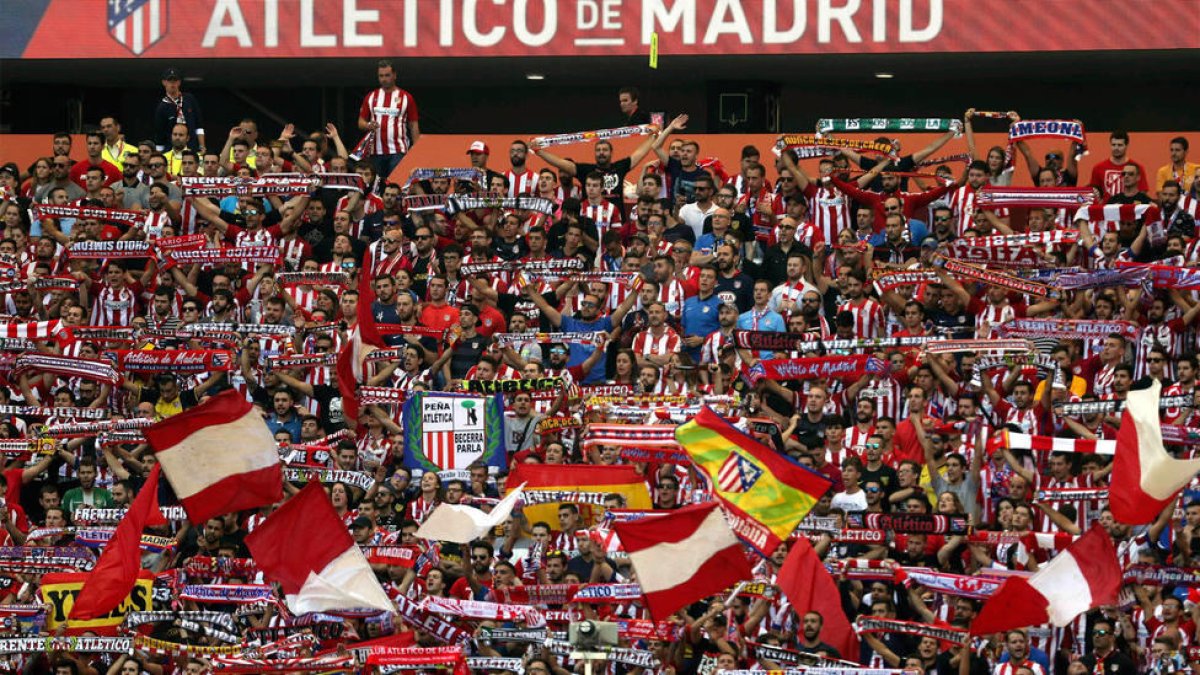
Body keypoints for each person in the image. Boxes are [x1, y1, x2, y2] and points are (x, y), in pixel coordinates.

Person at [358, 59, 420, 185]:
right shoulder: (371, 96)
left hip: (398, 151)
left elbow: (413, 125)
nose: (384, 79)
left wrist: (417, 150)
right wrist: (369, 125)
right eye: (381, 76)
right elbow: (361, 122)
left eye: (387, 75)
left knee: (396, 185)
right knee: (375, 186)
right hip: (375, 151)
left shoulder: (406, 97)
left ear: (394, 75)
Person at [154, 67, 205, 153]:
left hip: (192, 147)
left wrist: (202, 146)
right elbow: (159, 134)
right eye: (169, 80)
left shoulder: (189, 99)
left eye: (175, 80)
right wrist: (159, 155)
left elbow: (199, 125)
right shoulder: (162, 107)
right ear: (164, 82)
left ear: (179, 82)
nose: (172, 83)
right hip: (171, 149)